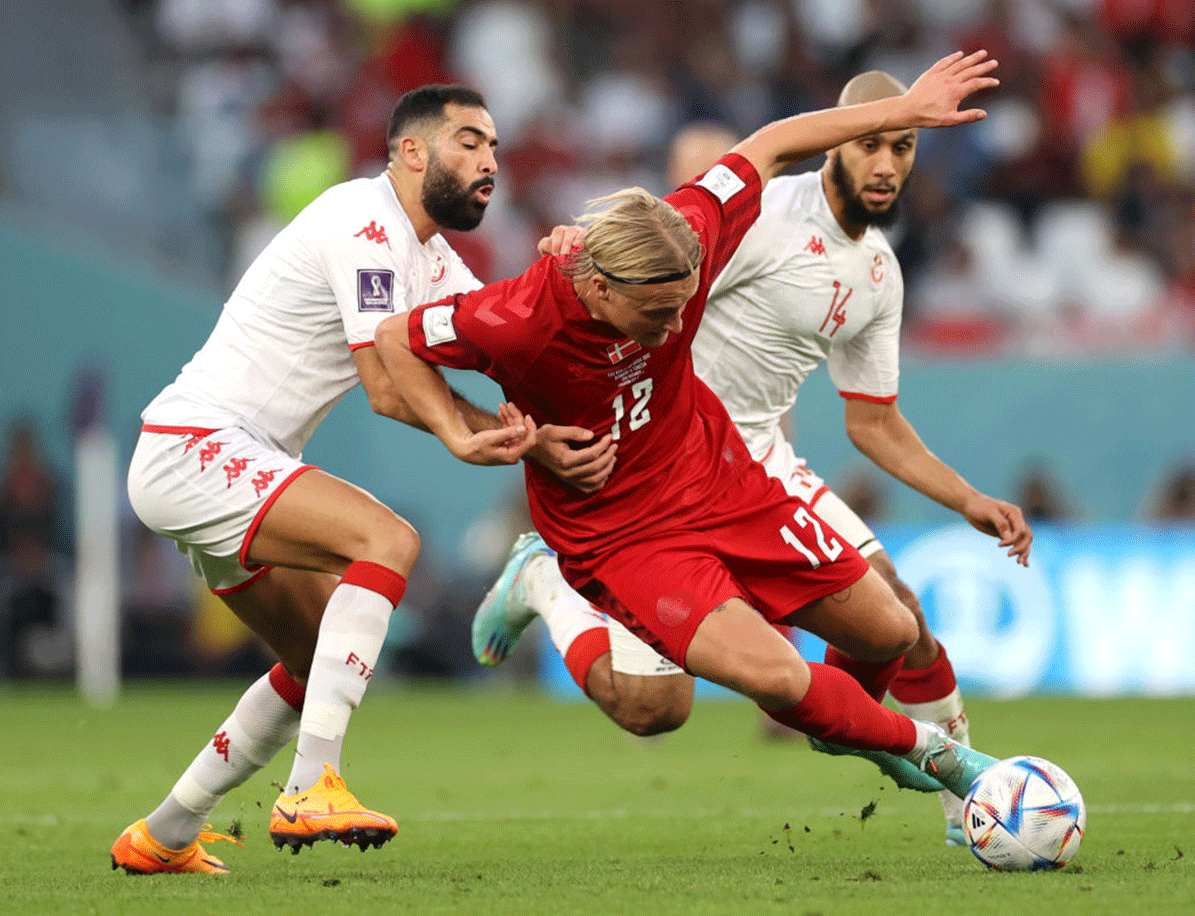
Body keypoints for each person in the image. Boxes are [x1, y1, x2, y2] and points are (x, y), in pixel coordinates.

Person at [377, 52, 1009, 819]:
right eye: (659, 317)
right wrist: (465, 433)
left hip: (722, 477)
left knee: (887, 626)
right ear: (601, 289)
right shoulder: (517, 318)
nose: (679, 328)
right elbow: (393, 338)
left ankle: (845, 726)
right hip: (623, 530)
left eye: (686, 307)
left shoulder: (692, 234)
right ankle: (933, 756)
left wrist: (903, 110)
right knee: (672, 706)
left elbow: (770, 142)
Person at [110, 84, 591, 875]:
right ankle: (309, 788)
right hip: (197, 443)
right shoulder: (358, 221)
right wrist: (462, 439)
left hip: (235, 461)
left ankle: (164, 834)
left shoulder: (431, 260)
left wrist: (565, 272)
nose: (490, 162)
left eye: (496, 148)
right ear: (411, 152)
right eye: (469, 142)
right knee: (387, 539)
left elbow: (509, 345)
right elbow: (387, 386)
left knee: (310, 661)